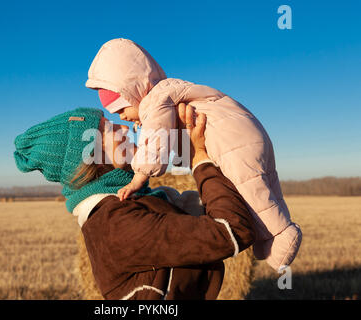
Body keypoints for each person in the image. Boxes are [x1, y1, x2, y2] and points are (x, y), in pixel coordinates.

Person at [85, 38, 302, 271]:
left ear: (135, 91)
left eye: (121, 109)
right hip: (247, 132)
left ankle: (281, 235)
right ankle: (268, 241)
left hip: (228, 140)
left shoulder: (155, 101)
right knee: (264, 185)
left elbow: (155, 142)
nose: (122, 117)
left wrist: (140, 176)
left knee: (249, 190)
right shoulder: (166, 91)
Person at [13, 105, 255, 300]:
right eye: (109, 128)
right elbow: (230, 229)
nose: (125, 127)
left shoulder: (136, 202)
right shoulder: (115, 223)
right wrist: (200, 160)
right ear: (93, 160)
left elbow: (215, 208)